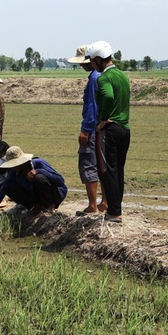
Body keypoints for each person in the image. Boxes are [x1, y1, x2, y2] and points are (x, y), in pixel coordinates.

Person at [86, 41, 131, 223]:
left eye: (92, 60)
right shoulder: (122, 76)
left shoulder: (104, 78)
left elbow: (108, 95)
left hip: (109, 130)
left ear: (98, 59)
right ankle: (116, 208)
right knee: (118, 170)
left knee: (106, 170)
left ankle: (113, 211)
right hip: (124, 128)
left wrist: (103, 118)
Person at [0, 146, 67, 227]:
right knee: (7, 186)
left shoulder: (38, 163)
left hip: (56, 195)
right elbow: (0, 195)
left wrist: (39, 172)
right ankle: (36, 206)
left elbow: (60, 181)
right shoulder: (14, 173)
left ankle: (50, 206)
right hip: (37, 196)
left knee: (39, 178)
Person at [67, 45, 108, 216]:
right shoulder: (103, 76)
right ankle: (105, 202)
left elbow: (92, 106)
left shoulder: (94, 79)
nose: (81, 66)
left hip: (92, 128)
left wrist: (85, 130)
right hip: (102, 128)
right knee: (102, 164)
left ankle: (92, 205)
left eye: (83, 62)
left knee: (88, 163)